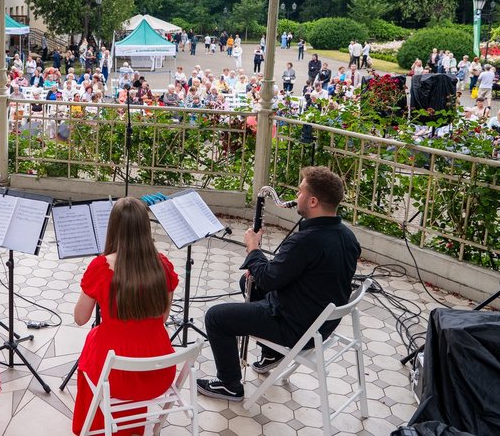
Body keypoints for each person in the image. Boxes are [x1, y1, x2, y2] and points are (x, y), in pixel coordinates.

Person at [198, 167, 360, 401]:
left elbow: (268, 278)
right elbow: (283, 274)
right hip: (320, 321)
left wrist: (253, 246)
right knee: (248, 281)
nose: (296, 197)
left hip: (295, 325)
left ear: (313, 201)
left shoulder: (306, 241)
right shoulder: (347, 236)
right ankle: (272, 353)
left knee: (216, 317)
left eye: (301, 192)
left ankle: (229, 384)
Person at [72, 197, 179, 435]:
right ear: (145, 228)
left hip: (116, 376)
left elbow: (80, 319)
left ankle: (96, 427)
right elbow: (162, 317)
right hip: (158, 371)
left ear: (113, 228)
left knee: (92, 342)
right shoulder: (163, 267)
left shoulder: (101, 268)